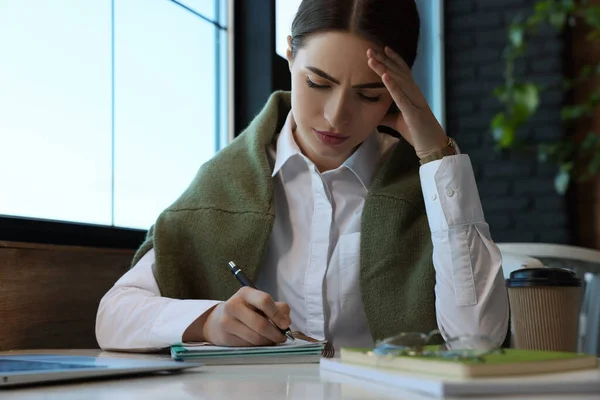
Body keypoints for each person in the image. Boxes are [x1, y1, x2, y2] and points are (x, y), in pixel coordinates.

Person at [96, 0, 509, 352]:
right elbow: (113, 316)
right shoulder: (227, 182)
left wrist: (438, 154)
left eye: (369, 94)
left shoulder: (426, 191)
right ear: (289, 53)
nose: (336, 116)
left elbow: (477, 340)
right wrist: (208, 321)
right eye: (317, 82)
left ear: (400, 90)